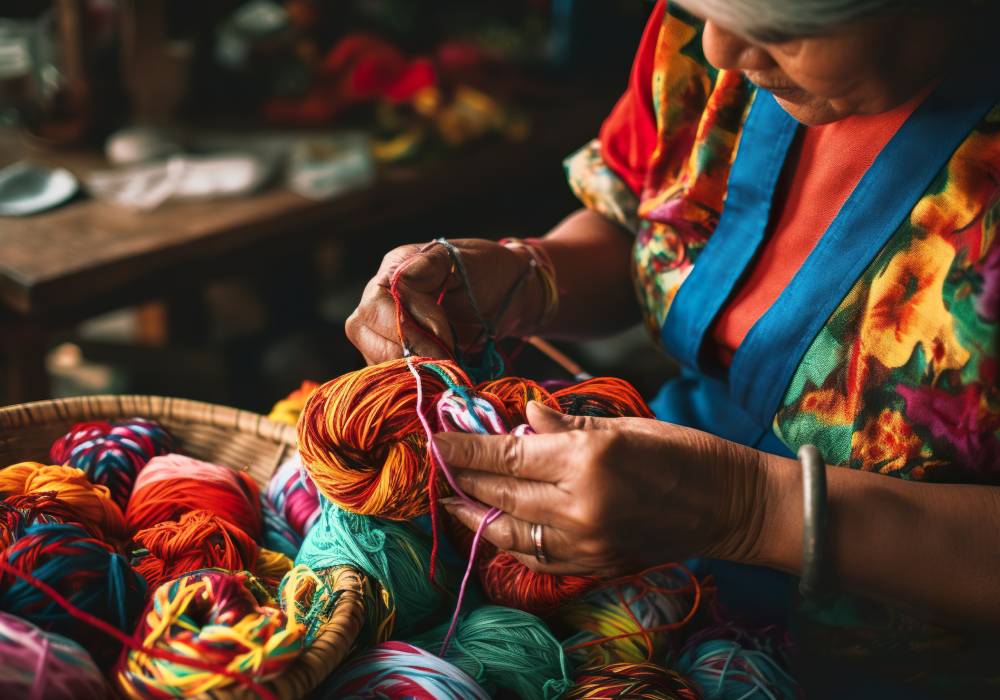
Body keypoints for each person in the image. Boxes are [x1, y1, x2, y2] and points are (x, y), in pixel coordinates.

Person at [348, 0, 1000, 693]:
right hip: (648, 581)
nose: (716, 49)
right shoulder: (705, 29)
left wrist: (748, 509)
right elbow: (644, 228)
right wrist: (528, 276)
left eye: (780, 29)